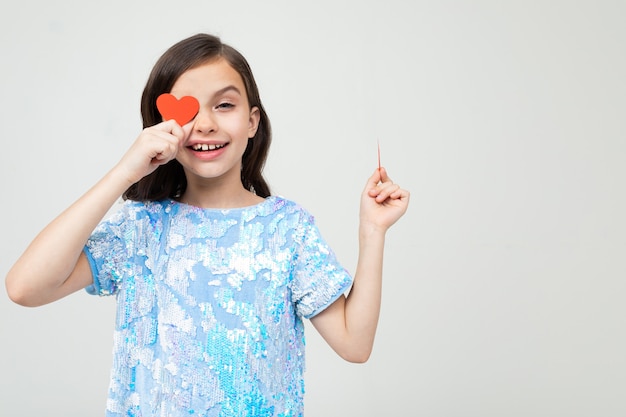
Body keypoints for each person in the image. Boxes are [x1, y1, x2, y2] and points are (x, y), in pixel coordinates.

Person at [5, 33, 409, 416]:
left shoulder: (287, 230)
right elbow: (25, 287)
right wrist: (123, 174)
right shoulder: (140, 228)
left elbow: (354, 344)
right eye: (187, 109)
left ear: (252, 122)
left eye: (225, 105)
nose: (205, 124)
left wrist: (372, 232)